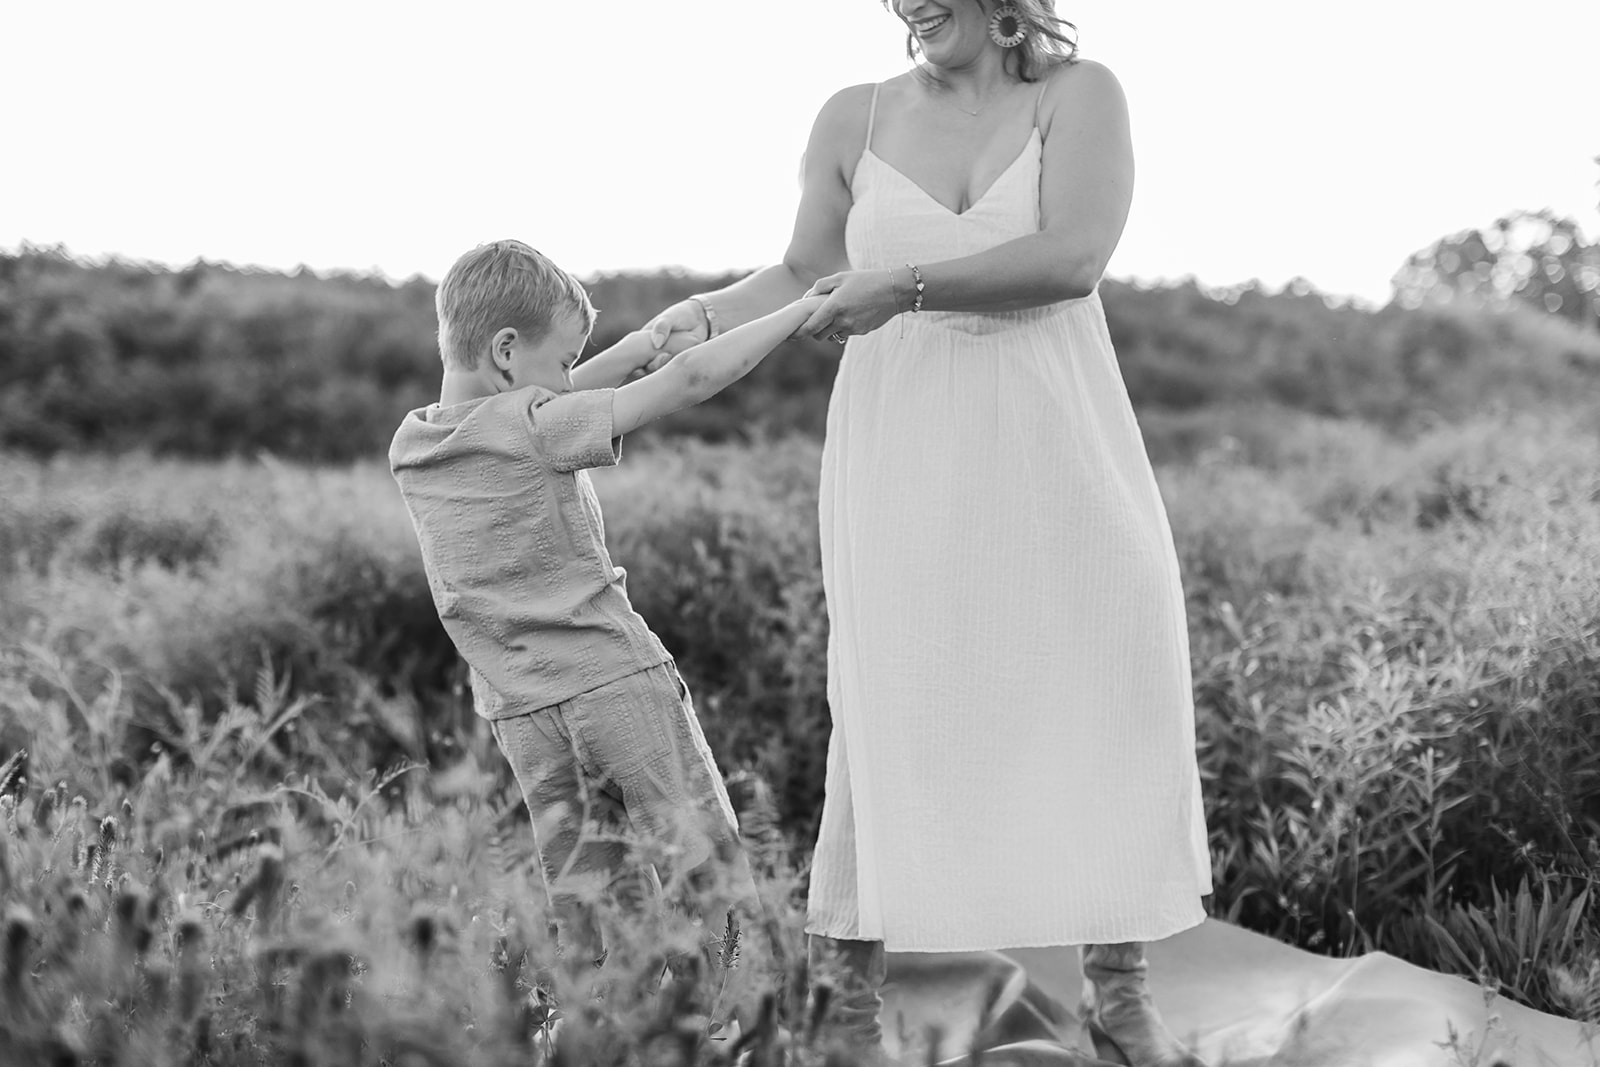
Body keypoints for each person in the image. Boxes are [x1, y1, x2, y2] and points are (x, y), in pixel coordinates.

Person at [645, 4, 1212, 1064]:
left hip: (1057, 429)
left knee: (1107, 678)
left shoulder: (1078, 95)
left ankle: (1118, 993)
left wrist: (903, 285)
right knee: (885, 705)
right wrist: (707, 312)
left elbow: (1074, 256)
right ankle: (848, 1019)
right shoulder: (851, 117)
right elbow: (804, 271)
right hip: (902, 446)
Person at [389, 239, 824, 979]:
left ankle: (602, 1022)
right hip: (615, 685)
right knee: (706, 874)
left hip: (525, 716)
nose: (568, 381)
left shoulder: (416, 444)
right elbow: (690, 380)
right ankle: (741, 1020)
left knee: (590, 904)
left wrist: (632, 348)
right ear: (505, 352)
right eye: (563, 362)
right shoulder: (535, 427)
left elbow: (529, 409)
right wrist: (799, 311)